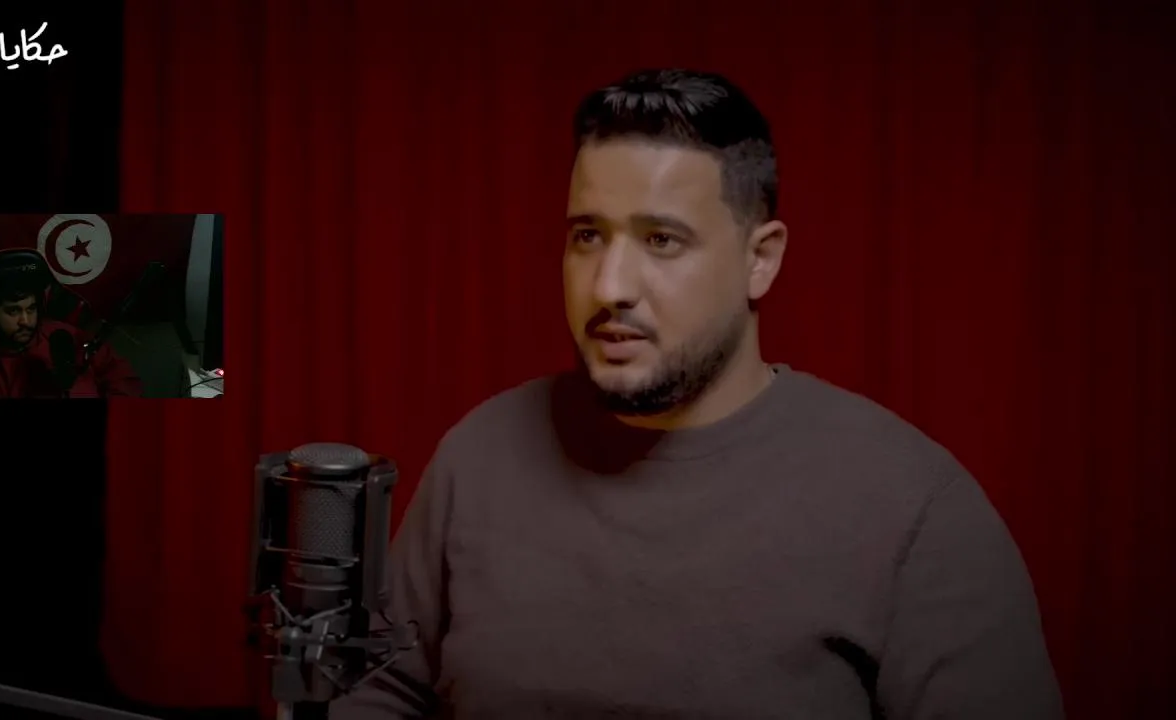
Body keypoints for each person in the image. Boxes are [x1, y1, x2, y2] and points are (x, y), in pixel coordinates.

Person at [332, 69, 1063, 719]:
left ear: (760, 260)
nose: (609, 287)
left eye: (661, 241)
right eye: (588, 236)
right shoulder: (480, 458)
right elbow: (380, 692)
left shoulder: (914, 509)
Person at [0, 250, 142, 399]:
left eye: (31, 309)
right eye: (13, 311)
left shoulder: (67, 336)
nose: (26, 321)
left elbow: (122, 377)